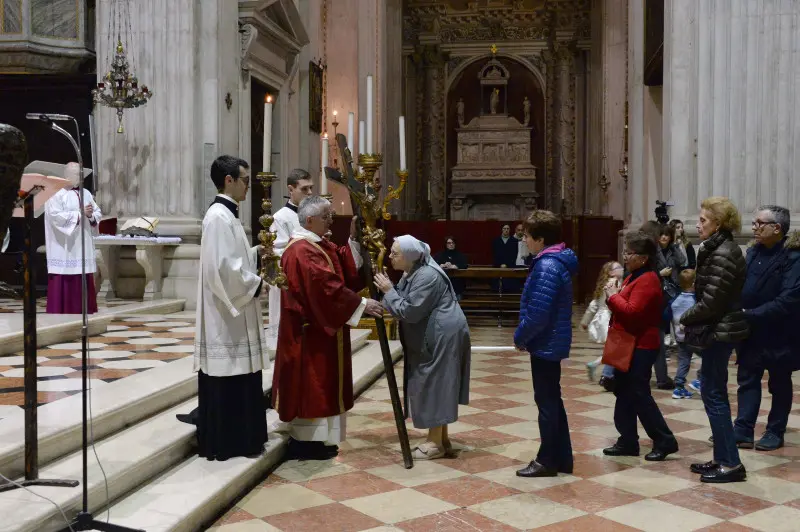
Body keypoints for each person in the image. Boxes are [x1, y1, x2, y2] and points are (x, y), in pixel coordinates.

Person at [272, 195, 383, 460]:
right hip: (309, 334)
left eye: (332, 215)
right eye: (327, 216)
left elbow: (338, 266)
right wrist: (361, 304)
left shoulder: (316, 244)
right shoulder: (301, 250)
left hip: (321, 331)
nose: (331, 221)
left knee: (323, 385)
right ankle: (305, 442)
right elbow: (324, 287)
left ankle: (319, 440)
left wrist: (353, 240)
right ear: (309, 220)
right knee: (313, 386)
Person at [193, 155, 268, 461]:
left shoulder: (229, 215)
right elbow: (222, 270)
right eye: (245, 179)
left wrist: (255, 254)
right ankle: (230, 442)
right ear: (229, 180)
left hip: (234, 309)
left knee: (241, 371)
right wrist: (256, 284)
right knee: (229, 372)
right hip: (226, 313)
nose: (249, 185)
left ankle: (244, 439)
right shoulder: (218, 217)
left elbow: (232, 259)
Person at [374, 235, 471, 460]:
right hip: (435, 332)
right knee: (437, 383)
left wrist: (388, 291)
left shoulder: (427, 275)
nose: (390, 256)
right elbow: (401, 300)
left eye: (394, 253)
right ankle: (441, 439)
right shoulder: (413, 271)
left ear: (408, 256)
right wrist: (390, 290)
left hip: (441, 335)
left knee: (435, 383)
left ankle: (435, 443)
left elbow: (409, 311)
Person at [680, 196, 749, 483]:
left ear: (718, 223)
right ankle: (723, 457)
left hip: (720, 330)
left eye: (703, 220)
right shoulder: (718, 248)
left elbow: (711, 302)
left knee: (715, 395)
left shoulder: (723, 253)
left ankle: (731, 464)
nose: (698, 224)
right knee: (712, 392)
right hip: (719, 329)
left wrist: (684, 316)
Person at [603, 231, 679, 462]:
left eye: (629, 253)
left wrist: (613, 296)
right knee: (623, 392)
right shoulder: (633, 276)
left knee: (639, 394)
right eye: (625, 252)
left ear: (644, 257)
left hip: (642, 346)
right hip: (628, 343)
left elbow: (633, 313)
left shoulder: (648, 279)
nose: (625, 256)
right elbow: (622, 307)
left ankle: (664, 440)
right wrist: (612, 296)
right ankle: (627, 440)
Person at [513, 210, 578, 478]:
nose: (525, 241)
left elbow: (538, 313)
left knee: (547, 403)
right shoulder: (554, 261)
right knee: (552, 400)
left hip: (546, 342)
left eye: (527, 236)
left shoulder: (547, 266)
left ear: (540, 239)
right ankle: (562, 457)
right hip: (550, 341)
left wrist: (521, 336)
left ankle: (548, 460)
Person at [734, 205, 800, 451]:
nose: (754, 228)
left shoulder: (793, 257)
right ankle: (743, 429)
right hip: (751, 331)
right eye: (754, 223)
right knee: (747, 379)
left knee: (779, 382)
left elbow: (789, 299)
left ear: (777, 228)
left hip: (780, 332)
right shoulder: (753, 252)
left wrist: (751, 314)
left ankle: (775, 431)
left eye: (760, 223)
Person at [44, 162, 102, 314]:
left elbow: (97, 212)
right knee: (65, 274)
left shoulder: (86, 193)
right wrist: (79, 214)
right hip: (64, 246)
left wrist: (90, 215)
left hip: (82, 243)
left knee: (82, 273)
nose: (80, 177)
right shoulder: (55, 194)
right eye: (77, 174)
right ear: (66, 175)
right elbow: (55, 217)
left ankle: (85, 311)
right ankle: (61, 311)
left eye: (81, 174)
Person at [267, 169, 314, 341]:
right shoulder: (280, 217)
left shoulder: (312, 215)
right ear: (290, 189)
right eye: (304, 189)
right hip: (289, 282)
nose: (309, 193)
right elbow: (279, 253)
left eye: (311, 188)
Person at [582, 261, 624, 384]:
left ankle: (605, 371)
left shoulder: (604, 284)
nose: (621, 268)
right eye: (618, 267)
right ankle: (603, 371)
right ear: (611, 272)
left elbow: (593, 304)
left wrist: (586, 321)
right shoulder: (615, 283)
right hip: (609, 319)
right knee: (616, 350)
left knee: (613, 349)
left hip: (601, 319)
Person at [671, 269, 700, 399]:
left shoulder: (676, 300)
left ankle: (678, 387)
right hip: (692, 336)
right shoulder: (694, 301)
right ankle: (700, 380)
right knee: (708, 355)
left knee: (684, 361)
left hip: (679, 336)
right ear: (694, 283)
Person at [433, 236, 469, 300]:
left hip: (457, 287)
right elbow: (433, 264)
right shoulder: (440, 255)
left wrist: (456, 266)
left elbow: (465, 265)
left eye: (453, 243)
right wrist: (441, 265)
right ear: (445, 244)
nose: (451, 244)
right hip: (443, 286)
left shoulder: (460, 255)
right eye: (449, 243)